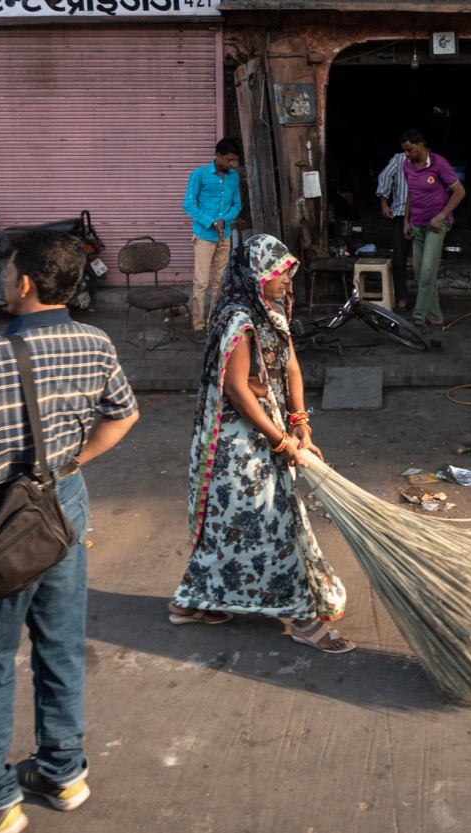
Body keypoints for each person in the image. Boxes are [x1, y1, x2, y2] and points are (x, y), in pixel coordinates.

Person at [0, 230, 139, 833]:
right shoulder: (95, 341)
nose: (0, 279)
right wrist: (71, 465)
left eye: (5, 270)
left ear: (24, 283)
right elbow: (124, 415)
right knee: (61, 645)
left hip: (0, 515)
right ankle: (62, 771)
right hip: (64, 508)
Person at [168, 233, 353, 655]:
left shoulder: (271, 310)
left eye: (289, 271)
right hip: (238, 447)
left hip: (271, 431)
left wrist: (300, 422)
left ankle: (191, 603)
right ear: (256, 274)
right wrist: (281, 440)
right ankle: (305, 617)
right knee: (274, 524)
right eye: (279, 272)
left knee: (233, 528)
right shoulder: (239, 319)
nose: (288, 279)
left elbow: (291, 369)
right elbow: (236, 389)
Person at [401, 129, 466, 329]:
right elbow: (411, 193)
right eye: (404, 151)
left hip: (437, 224)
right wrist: (406, 220)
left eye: (409, 150)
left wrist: (441, 216)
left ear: (421, 145)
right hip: (417, 223)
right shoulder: (407, 165)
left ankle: (419, 315)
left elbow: (459, 191)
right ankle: (436, 315)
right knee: (421, 273)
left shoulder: (439, 164)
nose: (407, 154)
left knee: (428, 269)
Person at [183, 137, 243, 334]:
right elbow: (189, 205)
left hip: (224, 236)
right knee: (201, 282)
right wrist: (211, 221)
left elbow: (237, 204)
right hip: (203, 236)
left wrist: (225, 219)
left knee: (220, 282)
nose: (232, 164)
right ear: (218, 156)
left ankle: (214, 322)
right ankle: (198, 325)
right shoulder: (199, 174)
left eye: (234, 160)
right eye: (229, 160)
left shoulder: (233, 177)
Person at [375, 149, 411, 310]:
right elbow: (385, 176)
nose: (408, 153)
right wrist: (384, 203)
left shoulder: (432, 161)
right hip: (402, 214)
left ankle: (421, 301)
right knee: (398, 259)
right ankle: (402, 297)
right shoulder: (400, 159)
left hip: (422, 215)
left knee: (423, 261)